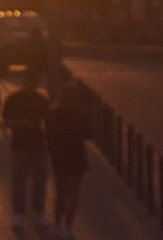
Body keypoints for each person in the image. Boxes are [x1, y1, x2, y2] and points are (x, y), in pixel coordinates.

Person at [2, 66, 51, 229]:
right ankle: (18, 214)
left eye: (34, 83)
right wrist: (20, 124)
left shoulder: (42, 100)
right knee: (19, 182)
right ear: (25, 82)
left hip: (38, 146)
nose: (32, 85)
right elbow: (5, 121)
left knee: (39, 181)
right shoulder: (14, 99)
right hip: (20, 146)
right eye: (30, 82)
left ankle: (38, 213)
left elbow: (49, 122)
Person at [46, 82, 92, 236]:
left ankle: (57, 223)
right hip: (77, 157)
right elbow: (90, 134)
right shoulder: (80, 114)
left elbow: (48, 135)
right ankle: (68, 227)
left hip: (59, 157)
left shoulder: (52, 114)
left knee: (60, 193)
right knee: (74, 195)